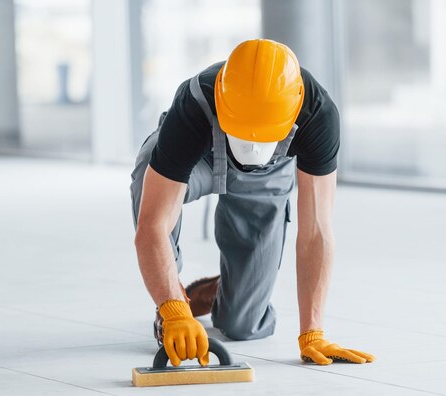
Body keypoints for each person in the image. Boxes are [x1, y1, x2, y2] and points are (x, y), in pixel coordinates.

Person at [130, 39, 375, 367]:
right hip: (198, 160)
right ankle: (173, 294)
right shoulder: (194, 103)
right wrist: (173, 309)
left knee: (243, 326)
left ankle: (224, 289)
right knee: (150, 169)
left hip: (266, 174)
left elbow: (317, 230)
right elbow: (153, 223)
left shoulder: (319, 114)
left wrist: (312, 332)